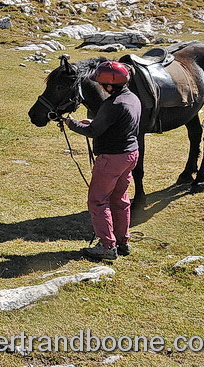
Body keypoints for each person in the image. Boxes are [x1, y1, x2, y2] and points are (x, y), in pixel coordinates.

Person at [64, 61, 141, 262]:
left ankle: (107, 246)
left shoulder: (112, 104)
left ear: (109, 85)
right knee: (120, 199)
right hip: (130, 154)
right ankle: (122, 241)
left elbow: (92, 131)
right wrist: (95, 122)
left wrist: (71, 123)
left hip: (111, 158)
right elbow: (117, 124)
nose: (99, 86)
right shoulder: (132, 98)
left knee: (98, 200)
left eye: (101, 83)